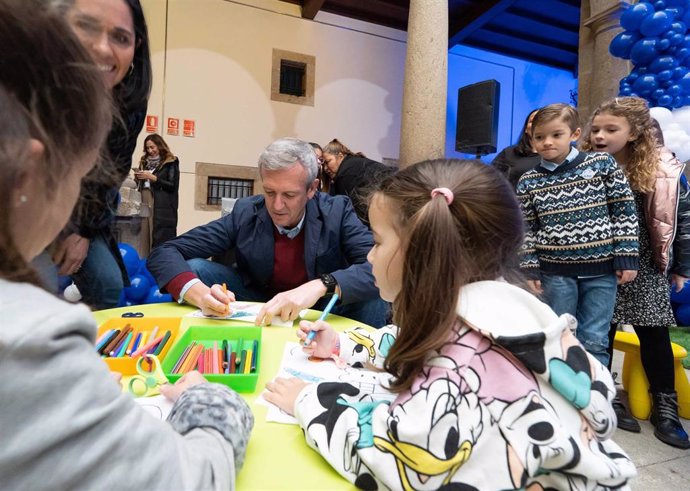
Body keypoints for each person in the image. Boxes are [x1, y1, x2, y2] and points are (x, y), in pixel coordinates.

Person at [264, 159, 636, 489]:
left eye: (377, 241)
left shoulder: (457, 366)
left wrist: (308, 401)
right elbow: (415, 343)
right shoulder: (508, 311)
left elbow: (395, 465)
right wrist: (345, 347)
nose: (369, 255)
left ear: (423, 252)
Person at [0, 1, 252, 489]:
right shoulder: (34, 338)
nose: (101, 48)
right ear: (32, 170)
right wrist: (212, 400)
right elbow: (191, 478)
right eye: (83, 168)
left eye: (119, 36)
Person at [148, 137, 388, 328]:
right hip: (259, 300)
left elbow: (377, 267)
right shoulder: (246, 212)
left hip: (320, 307)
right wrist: (198, 295)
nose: (276, 206)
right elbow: (165, 251)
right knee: (196, 268)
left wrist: (320, 286)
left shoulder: (337, 211)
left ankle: (360, 362)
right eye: (270, 192)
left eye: (290, 195)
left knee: (374, 293)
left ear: (312, 189)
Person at [581, 96, 690, 449]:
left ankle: (665, 406)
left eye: (610, 129)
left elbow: (682, 222)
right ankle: (606, 396)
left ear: (635, 133)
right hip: (598, 263)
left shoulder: (665, 170)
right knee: (601, 332)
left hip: (645, 262)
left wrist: (681, 266)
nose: (599, 135)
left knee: (654, 335)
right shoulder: (583, 166)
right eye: (596, 128)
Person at [45, 0, 153, 309]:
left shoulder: (128, 100)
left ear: (136, 47)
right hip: (24, 211)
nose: (102, 49)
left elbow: (111, 173)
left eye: (120, 37)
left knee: (107, 283)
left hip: (81, 212)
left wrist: (80, 231)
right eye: (86, 27)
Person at [516, 103, 639, 366]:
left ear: (575, 134)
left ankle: (597, 400)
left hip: (602, 270)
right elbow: (526, 228)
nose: (547, 142)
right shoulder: (528, 181)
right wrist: (529, 268)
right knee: (560, 335)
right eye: (539, 137)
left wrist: (627, 256)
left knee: (595, 338)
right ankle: (565, 400)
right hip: (555, 272)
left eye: (556, 135)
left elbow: (624, 211)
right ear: (531, 138)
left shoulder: (602, 164)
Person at [321, 138, 394, 225]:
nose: (325, 168)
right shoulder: (356, 162)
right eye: (323, 164)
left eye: (328, 161)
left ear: (340, 156)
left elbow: (349, 213)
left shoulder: (345, 174)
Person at [135, 133, 180, 250]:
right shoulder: (144, 162)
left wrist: (152, 177)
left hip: (161, 202)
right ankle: (144, 258)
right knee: (144, 232)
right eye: (147, 148)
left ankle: (158, 260)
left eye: (152, 147)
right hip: (144, 198)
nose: (150, 150)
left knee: (158, 233)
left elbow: (172, 186)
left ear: (159, 146)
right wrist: (139, 176)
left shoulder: (171, 162)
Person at [491, 108, 541, 188]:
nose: (536, 123)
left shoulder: (558, 156)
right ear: (525, 129)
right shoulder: (509, 152)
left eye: (541, 120)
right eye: (532, 121)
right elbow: (490, 179)